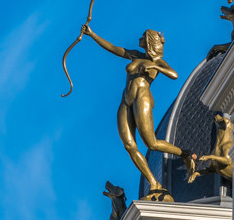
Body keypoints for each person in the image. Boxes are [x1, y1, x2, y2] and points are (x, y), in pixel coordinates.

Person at [81, 24, 195, 198]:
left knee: (152, 143)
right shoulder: (135, 55)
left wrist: (155, 68)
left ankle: (185, 154)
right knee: (129, 145)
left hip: (142, 99)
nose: (139, 39)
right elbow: (113, 48)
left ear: (149, 41)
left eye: (142, 36)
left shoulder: (156, 62)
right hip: (125, 102)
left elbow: (174, 74)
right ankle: (154, 182)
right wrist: (91, 34)